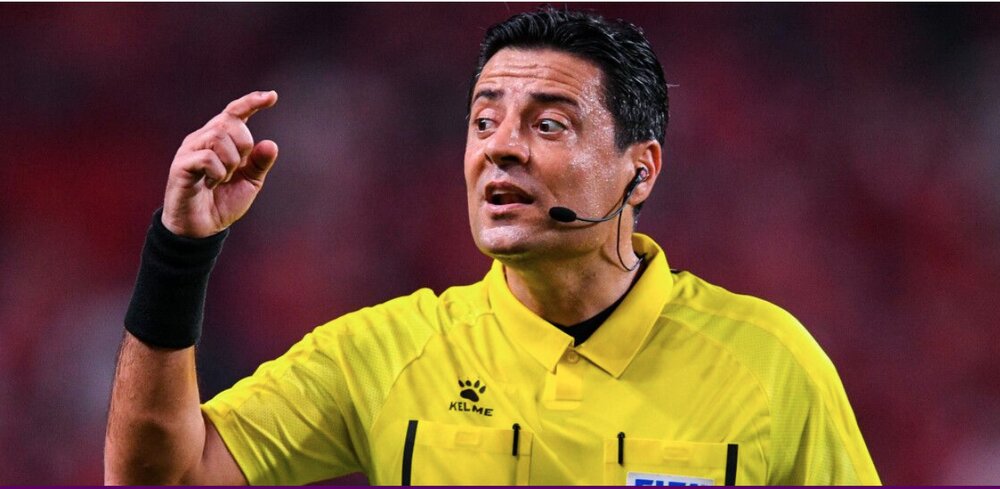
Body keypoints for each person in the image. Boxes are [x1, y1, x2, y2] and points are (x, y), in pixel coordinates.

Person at [105, 8, 880, 486]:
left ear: (639, 170)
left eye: (548, 124)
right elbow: (160, 476)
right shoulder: (386, 353)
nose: (499, 148)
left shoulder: (770, 363)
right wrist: (180, 251)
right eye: (483, 121)